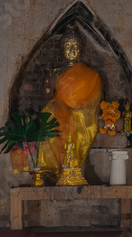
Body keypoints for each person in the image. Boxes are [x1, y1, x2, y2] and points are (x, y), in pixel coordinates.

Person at [37, 30, 102, 183]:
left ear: (81, 49)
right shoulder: (54, 73)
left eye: (75, 46)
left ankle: (72, 169)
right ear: (61, 49)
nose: (72, 50)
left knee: (78, 118)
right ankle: (54, 169)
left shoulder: (92, 75)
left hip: (82, 111)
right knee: (48, 113)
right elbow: (48, 97)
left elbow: (95, 102)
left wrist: (78, 108)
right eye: (68, 46)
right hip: (59, 110)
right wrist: (49, 85)